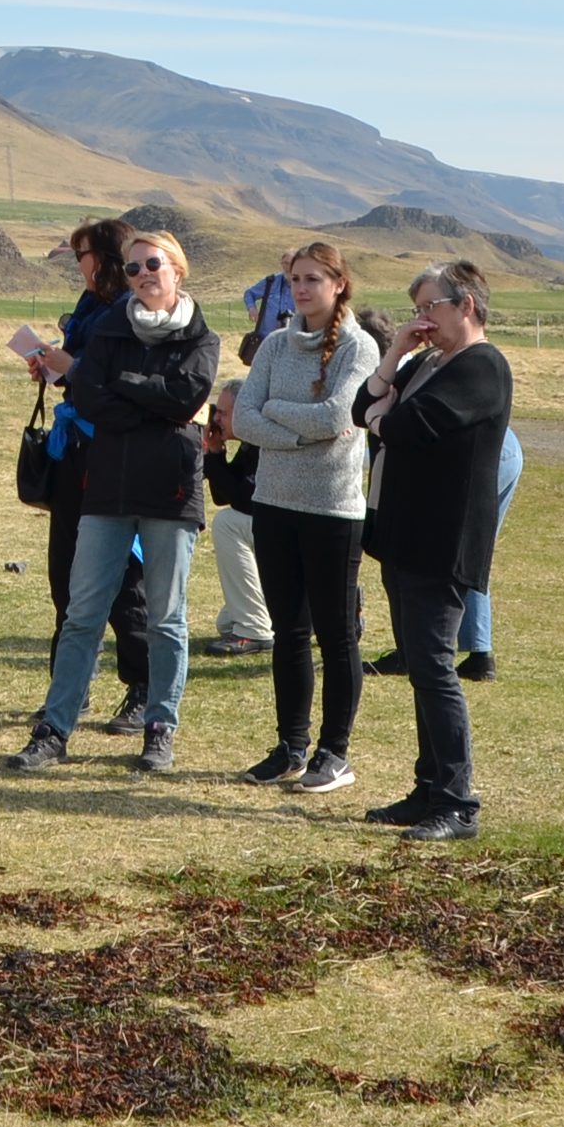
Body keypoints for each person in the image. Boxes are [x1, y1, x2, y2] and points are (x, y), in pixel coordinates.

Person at [12, 229, 218, 774]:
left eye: (153, 264)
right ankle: (54, 731)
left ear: (177, 269)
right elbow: (88, 396)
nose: (143, 275)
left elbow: (186, 397)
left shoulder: (202, 338)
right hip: (105, 490)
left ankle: (159, 727)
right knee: (82, 614)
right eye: (132, 269)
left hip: (171, 493)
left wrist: (123, 390)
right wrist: (148, 400)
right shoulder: (108, 326)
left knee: (166, 619)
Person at [355, 260, 512, 841]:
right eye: (416, 309)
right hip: (404, 534)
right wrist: (394, 352)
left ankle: (457, 802)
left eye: (430, 308)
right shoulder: (427, 361)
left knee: (435, 667)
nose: (421, 319)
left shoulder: (482, 367)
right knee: (422, 666)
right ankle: (429, 790)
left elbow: (408, 427)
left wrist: (382, 418)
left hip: (441, 539)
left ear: (465, 304)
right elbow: (362, 410)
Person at [233, 240, 377, 795]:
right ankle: (291, 745)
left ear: (338, 284)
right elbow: (244, 416)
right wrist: (295, 428)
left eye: (314, 278)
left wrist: (274, 414)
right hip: (273, 505)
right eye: (295, 278)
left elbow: (339, 416)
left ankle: (333, 753)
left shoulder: (358, 348)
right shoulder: (273, 344)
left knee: (336, 635)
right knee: (288, 632)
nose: (301, 288)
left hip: (332, 509)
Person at [25, 218, 153, 733]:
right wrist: (52, 368)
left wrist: (71, 367)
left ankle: (142, 687)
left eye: (81, 253)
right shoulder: (88, 307)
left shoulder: (132, 312)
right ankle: (69, 689)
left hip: (115, 456)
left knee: (123, 578)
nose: (76, 263)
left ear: (102, 257)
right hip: (76, 451)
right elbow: (81, 373)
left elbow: (120, 383)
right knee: (65, 573)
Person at [365, 428, 522, 682]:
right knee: (471, 554)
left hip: (472, 452)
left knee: (437, 554)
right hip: (504, 446)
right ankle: (479, 656)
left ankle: (413, 652)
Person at [202, 383, 271, 655]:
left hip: (290, 535)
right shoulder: (249, 442)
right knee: (226, 622)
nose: (216, 419)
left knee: (227, 523)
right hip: (277, 533)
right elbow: (224, 496)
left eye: (223, 413)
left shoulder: (263, 440)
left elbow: (246, 500)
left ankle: (254, 630)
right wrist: (215, 452)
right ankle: (311, 609)